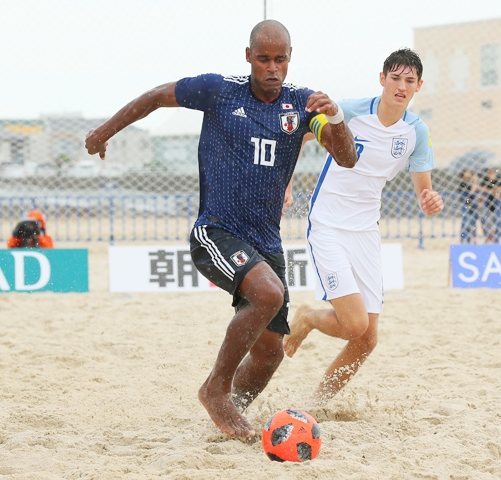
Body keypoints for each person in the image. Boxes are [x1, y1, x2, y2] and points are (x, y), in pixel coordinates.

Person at [84, 20, 357, 438]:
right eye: (263, 58)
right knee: (268, 293)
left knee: (269, 354)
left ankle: (229, 417)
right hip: (216, 230)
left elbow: (347, 158)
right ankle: (216, 391)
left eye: (279, 59)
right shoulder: (218, 90)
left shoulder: (303, 106)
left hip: (267, 241)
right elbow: (159, 95)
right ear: (248, 56)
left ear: (289, 59)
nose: (271, 67)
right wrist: (104, 132)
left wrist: (335, 116)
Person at [282, 48, 444, 406]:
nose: (401, 86)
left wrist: (430, 199)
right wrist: (287, 184)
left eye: (410, 81)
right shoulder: (350, 112)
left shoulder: (416, 131)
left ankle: (318, 404)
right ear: (383, 79)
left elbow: (424, 190)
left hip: (366, 230)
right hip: (328, 223)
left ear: (419, 86)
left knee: (367, 339)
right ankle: (307, 316)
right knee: (354, 324)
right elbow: (300, 136)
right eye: (396, 78)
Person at [478, 168, 501, 243]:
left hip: (497, 208)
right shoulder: (484, 181)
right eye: (489, 173)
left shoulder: (498, 181)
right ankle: (489, 239)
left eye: (492, 173)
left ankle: (495, 240)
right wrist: (492, 191)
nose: (491, 175)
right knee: (486, 225)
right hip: (487, 208)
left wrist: (488, 191)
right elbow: (480, 189)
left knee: (497, 226)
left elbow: (499, 191)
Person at [458, 168, 478, 243]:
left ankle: (469, 240)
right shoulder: (462, 183)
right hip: (466, 205)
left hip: (473, 206)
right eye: (467, 172)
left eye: (470, 172)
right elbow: (471, 192)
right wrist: (475, 181)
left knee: (472, 224)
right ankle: (463, 241)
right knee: (465, 223)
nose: (469, 174)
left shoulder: (471, 183)